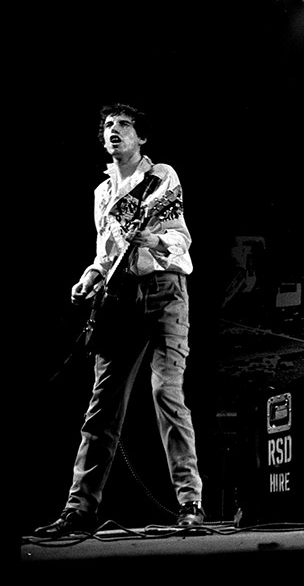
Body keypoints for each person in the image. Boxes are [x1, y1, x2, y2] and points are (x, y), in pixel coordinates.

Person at [34, 103, 204, 536]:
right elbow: (104, 254)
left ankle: (190, 503)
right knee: (102, 405)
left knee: (167, 392)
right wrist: (89, 277)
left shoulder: (161, 177)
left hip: (165, 292)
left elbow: (180, 238)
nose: (114, 131)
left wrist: (155, 238)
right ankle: (79, 509)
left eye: (124, 125)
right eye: (108, 126)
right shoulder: (101, 194)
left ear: (140, 137)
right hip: (120, 300)